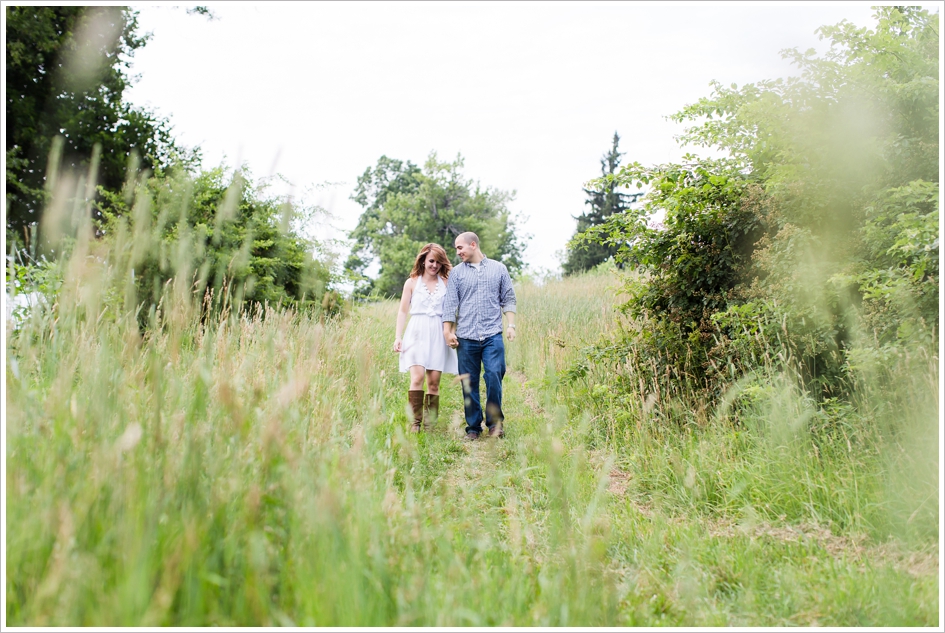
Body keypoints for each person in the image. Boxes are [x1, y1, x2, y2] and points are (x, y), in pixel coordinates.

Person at [442, 232, 517, 441]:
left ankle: (495, 424)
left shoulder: (499, 269)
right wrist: (447, 331)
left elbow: (509, 299)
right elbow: (450, 304)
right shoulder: (456, 274)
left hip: (492, 335)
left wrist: (511, 325)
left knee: (494, 375)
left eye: (460, 248)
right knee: (469, 382)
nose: (457, 252)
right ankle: (473, 428)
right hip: (466, 337)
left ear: (473, 245)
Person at [394, 243, 458, 432]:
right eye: (431, 261)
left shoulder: (446, 282)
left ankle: (430, 424)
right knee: (417, 378)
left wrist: (451, 332)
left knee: (433, 382)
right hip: (416, 331)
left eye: (439, 262)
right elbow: (402, 311)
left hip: (438, 332)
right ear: (423, 260)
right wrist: (398, 337)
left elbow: (452, 311)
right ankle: (415, 423)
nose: (434, 265)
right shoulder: (412, 282)